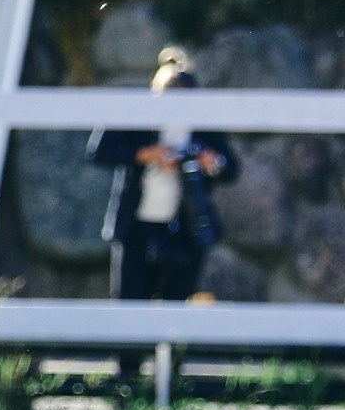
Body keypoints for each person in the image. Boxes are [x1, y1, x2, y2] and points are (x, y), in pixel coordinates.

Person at [89, 47, 239, 301]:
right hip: (136, 225)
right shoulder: (139, 118)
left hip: (185, 227)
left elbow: (231, 169)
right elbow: (99, 151)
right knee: (130, 304)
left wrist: (208, 162)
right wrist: (146, 155)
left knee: (176, 305)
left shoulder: (201, 126)